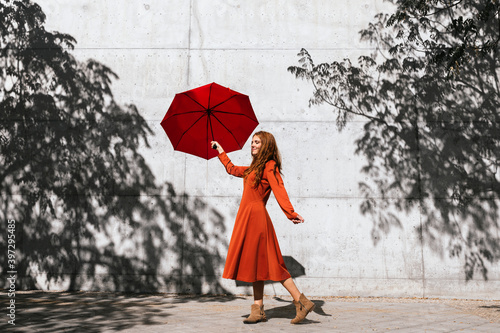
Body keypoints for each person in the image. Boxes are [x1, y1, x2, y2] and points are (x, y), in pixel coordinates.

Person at [211, 131, 315, 324]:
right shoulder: (254, 167)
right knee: (254, 265)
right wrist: (221, 151)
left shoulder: (270, 166)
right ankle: (258, 309)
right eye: (252, 142)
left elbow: (279, 189)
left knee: (274, 265)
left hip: (257, 220)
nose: (253, 145)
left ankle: (302, 302)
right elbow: (232, 169)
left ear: (266, 145)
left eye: (257, 142)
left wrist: (290, 213)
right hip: (247, 218)